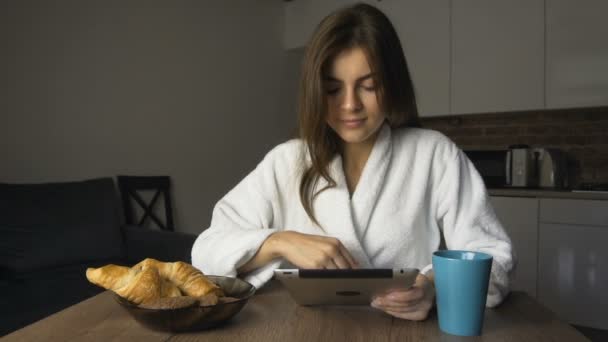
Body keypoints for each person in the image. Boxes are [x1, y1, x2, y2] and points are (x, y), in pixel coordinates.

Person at [192, 3, 514, 321]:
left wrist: (432, 287)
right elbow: (206, 252)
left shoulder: (434, 155)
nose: (350, 105)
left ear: (393, 82)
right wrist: (280, 242)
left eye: (369, 86)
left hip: (402, 332)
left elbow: (493, 259)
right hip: (301, 332)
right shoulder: (286, 161)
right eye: (333, 89)